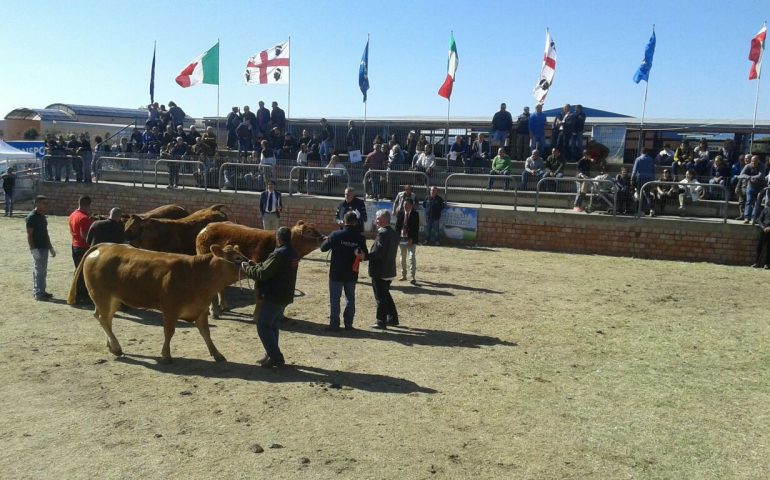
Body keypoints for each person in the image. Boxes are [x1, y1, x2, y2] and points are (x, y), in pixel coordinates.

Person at [242, 227, 299, 368]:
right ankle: (270, 353)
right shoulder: (293, 253)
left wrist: (247, 268)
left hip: (275, 295)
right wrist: (256, 266)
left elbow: (263, 274)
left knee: (262, 325)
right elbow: (270, 268)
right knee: (272, 325)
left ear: (278, 239)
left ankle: (275, 357)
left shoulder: (278, 254)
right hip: (285, 294)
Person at [319, 211, 368, 331]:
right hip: (352, 271)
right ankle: (348, 324)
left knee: (335, 299)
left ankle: (334, 324)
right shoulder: (360, 237)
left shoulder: (336, 234)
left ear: (344, 221)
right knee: (350, 298)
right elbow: (364, 254)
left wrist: (329, 239)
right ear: (356, 222)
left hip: (336, 272)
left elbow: (323, 248)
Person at [366, 209, 399, 329]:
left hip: (380, 271)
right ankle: (393, 318)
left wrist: (364, 256)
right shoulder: (393, 233)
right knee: (386, 295)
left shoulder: (382, 233)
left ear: (384, 220)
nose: (376, 220)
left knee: (380, 297)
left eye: (378, 218)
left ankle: (381, 321)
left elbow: (377, 253)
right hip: (389, 269)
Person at [26, 195, 56, 301]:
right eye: (44, 203)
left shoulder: (42, 217)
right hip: (38, 248)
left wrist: (50, 247)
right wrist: (33, 250)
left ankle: (41, 290)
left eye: (46, 203)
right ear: (37, 204)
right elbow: (29, 235)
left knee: (42, 271)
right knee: (39, 271)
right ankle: (39, 293)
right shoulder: (32, 217)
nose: (46, 205)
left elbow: (45, 233)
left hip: (44, 247)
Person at [68, 195, 94, 305]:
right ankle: (81, 296)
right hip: (83, 247)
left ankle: (79, 294)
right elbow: (84, 235)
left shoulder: (73, 214)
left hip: (75, 245)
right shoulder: (84, 218)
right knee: (83, 273)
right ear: (88, 205)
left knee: (78, 271)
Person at [396, 198, 419, 284]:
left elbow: (415, 228)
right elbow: (397, 227)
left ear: (411, 206)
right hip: (401, 239)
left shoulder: (415, 214)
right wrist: (397, 238)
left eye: (407, 205)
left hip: (411, 239)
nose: (405, 206)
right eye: (404, 204)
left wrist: (411, 239)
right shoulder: (400, 213)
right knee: (402, 257)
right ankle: (403, 275)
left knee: (411, 257)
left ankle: (412, 276)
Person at [741, 155, 766, 224]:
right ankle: (747, 218)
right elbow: (742, 174)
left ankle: (753, 218)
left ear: (758, 161)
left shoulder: (762, 166)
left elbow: (761, 175)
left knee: (757, 203)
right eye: (752, 161)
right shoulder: (748, 166)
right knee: (748, 201)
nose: (753, 163)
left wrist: (751, 177)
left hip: (760, 187)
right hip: (751, 186)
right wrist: (749, 178)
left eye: (755, 161)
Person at [631, 148, 656, 215]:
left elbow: (634, 171)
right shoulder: (651, 159)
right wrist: (653, 180)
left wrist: (632, 179)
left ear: (641, 152)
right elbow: (653, 171)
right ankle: (651, 210)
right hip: (648, 180)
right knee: (648, 195)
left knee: (639, 195)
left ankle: (641, 211)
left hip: (640, 179)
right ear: (647, 152)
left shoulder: (638, 159)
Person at [752, 202, 770, 268]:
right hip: (763, 230)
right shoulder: (765, 209)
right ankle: (756, 263)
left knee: (769, 248)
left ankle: (767, 264)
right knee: (759, 247)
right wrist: (763, 227)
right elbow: (759, 219)